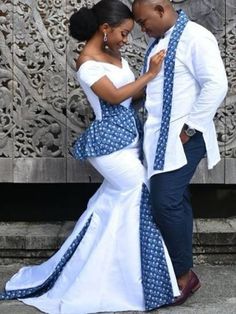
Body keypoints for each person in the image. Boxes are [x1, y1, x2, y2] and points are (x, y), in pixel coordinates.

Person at [0, 1, 180, 313]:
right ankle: (128, 282)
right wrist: (151, 74)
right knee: (140, 194)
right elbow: (114, 96)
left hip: (128, 139)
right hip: (108, 147)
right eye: (124, 33)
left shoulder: (114, 54)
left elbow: (131, 94)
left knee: (111, 208)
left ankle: (103, 273)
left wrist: (159, 86)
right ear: (105, 29)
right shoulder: (87, 62)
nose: (127, 40)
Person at [132, 0, 228, 306]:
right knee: (175, 200)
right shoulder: (161, 41)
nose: (141, 28)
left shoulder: (196, 37)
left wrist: (189, 130)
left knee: (165, 202)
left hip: (183, 137)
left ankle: (184, 276)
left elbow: (216, 85)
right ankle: (178, 270)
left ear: (160, 9)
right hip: (161, 138)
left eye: (144, 20)